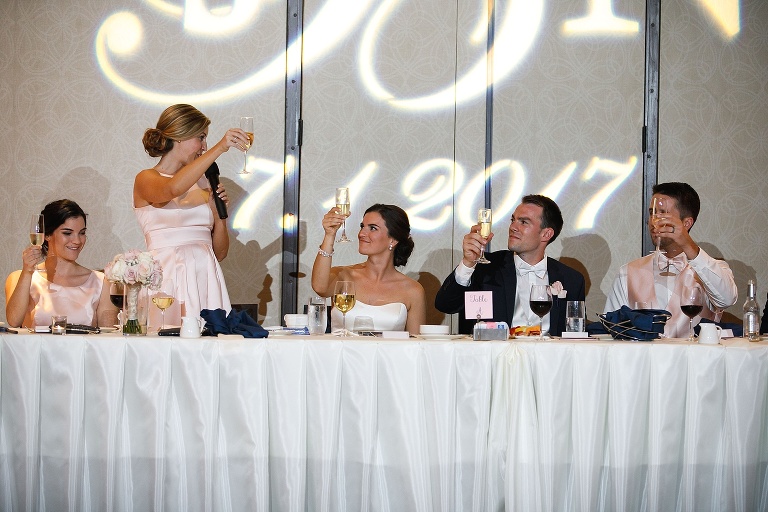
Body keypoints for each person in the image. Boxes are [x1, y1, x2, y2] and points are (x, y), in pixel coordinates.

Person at [136, 104, 245, 325]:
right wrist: (221, 146)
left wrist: (218, 214)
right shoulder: (146, 178)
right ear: (179, 137)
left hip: (205, 277)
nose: (204, 147)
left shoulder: (205, 183)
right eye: (201, 138)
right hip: (166, 276)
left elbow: (220, 253)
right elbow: (171, 189)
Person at [435, 194, 586, 336]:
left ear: (546, 234)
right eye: (513, 220)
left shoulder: (571, 280)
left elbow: (576, 335)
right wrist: (468, 263)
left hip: (548, 361)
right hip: (492, 359)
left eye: (524, 222)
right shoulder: (486, 268)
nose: (513, 227)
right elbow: (445, 305)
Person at [604, 182, 738, 338]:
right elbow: (612, 330)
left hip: (697, 361)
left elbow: (727, 299)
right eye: (652, 213)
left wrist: (689, 246)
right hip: (644, 361)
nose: (654, 222)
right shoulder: (627, 273)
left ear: (686, 223)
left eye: (662, 214)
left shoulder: (713, 269)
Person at [312, 203, 426, 335]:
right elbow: (320, 287)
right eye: (362, 226)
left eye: (372, 228)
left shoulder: (413, 291)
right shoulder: (343, 276)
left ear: (393, 240)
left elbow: (416, 345)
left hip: (389, 355)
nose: (361, 234)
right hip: (341, 354)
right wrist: (329, 234)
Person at [5, 199, 118, 329]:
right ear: (47, 235)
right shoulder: (20, 278)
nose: (77, 241)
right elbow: (13, 321)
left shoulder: (101, 283)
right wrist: (27, 271)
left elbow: (109, 337)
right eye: (67, 233)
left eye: (82, 233)